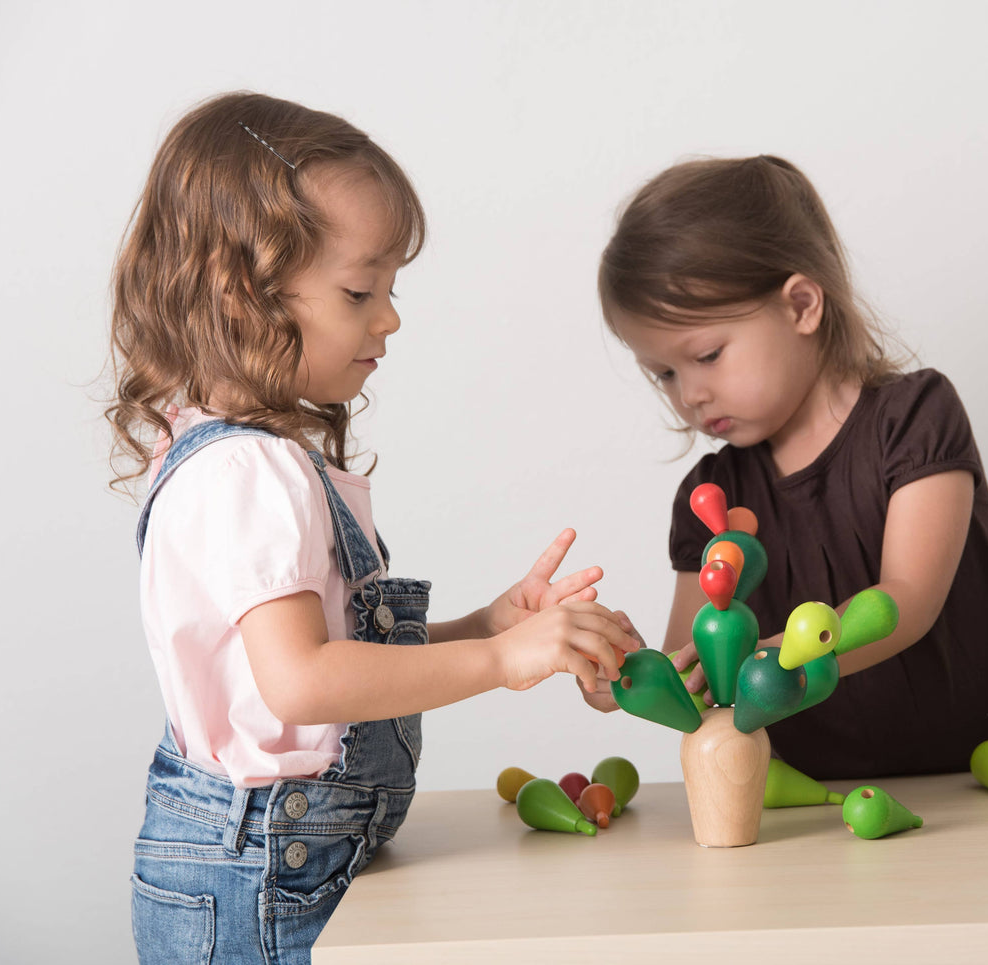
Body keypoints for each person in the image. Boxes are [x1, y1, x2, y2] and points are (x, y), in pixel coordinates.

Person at [107, 92, 639, 965]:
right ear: (238, 293)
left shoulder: (223, 453)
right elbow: (302, 682)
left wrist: (488, 625)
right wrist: (502, 663)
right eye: (360, 290)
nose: (388, 317)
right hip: (266, 879)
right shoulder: (249, 470)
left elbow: (307, 664)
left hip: (276, 860)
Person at [597, 155, 988, 780]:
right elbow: (691, 662)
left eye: (708, 355)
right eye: (665, 373)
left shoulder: (915, 419)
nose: (689, 393)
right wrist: (629, 676)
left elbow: (905, 602)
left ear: (802, 306)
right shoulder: (711, 495)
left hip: (981, 780)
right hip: (814, 802)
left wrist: (765, 659)